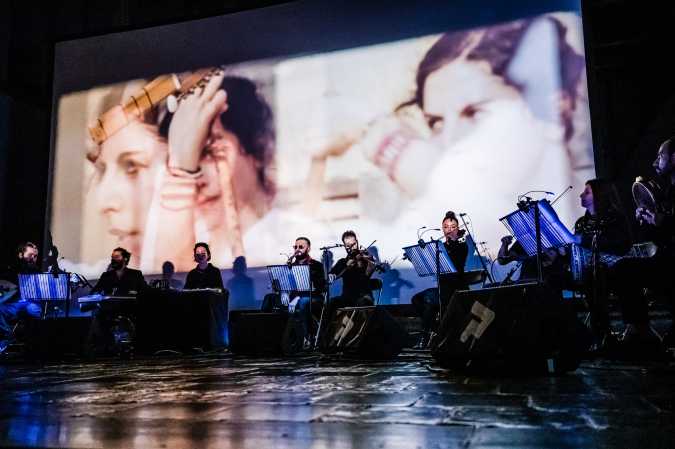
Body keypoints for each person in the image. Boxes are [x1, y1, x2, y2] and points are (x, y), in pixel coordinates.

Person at [142, 73, 277, 272]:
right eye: (185, 154)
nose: (195, 180)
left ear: (259, 147)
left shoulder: (293, 238)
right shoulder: (184, 240)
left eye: (209, 151)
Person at [611, 137, 675, 354]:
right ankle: (640, 330)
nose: (655, 162)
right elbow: (661, 238)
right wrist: (647, 222)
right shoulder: (666, 193)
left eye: (661, 156)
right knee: (624, 269)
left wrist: (662, 221)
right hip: (667, 259)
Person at [410, 212, 469, 348]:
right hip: (443, 289)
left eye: (453, 227)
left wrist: (451, 243)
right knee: (417, 299)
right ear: (442, 229)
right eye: (446, 227)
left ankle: (425, 336)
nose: (450, 230)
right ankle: (435, 328)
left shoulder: (462, 245)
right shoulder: (440, 246)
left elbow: (456, 261)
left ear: (458, 228)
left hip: (456, 289)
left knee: (430, 301)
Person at [0, 242, 43, 352]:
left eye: (35, 256)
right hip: (15, 304)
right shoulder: (12, 271)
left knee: (29, 309)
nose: (33, 258)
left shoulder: (38, 272)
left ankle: (31, 343)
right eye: (30, 255)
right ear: (20, 255)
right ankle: (8, 336)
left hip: (33, 304)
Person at [329, 230, 377, 310]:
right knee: (332, 302)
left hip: (364, 296)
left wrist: (368, 262)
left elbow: (366, 275)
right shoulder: (342, 262)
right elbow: (332, 276)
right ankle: (326, 323)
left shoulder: (365, 259)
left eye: (353, 244)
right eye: (348, 246)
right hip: (347, 297)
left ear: (357, 242)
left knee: (363, 303)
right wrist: (346, 267)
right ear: (344, 246)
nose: (351, 248)